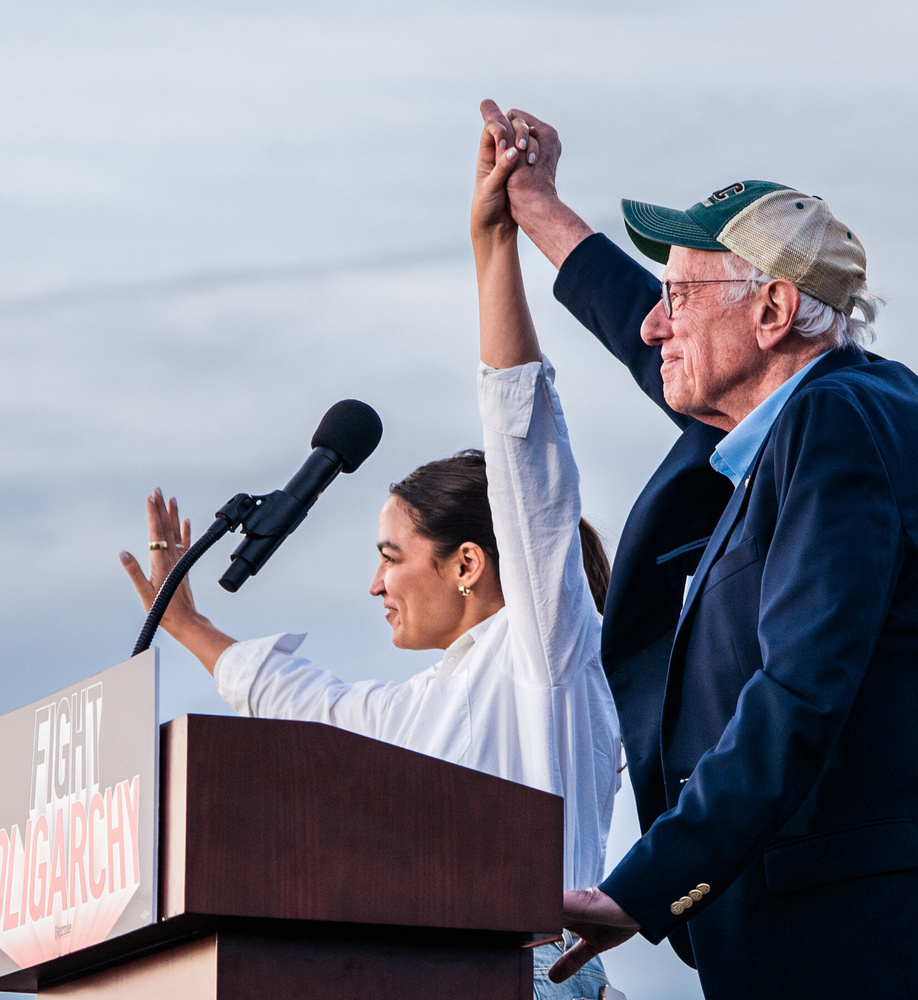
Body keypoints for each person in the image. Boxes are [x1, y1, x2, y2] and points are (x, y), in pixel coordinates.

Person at [478, 101, 918, 999]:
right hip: (805, 937)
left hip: (862, 953)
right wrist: (537, 209)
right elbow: (646, 336)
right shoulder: (805, 415)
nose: (655, 324)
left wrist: (641, 887)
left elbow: (798, 690)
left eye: (676, 297)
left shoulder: (841, 422)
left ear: (773, 310)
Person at [119, 115, 620, 1000]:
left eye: (393, 556)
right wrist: (189, 625)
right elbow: (306, 703)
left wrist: (494, 245)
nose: (376, 583)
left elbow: (526, 451)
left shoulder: (543, 653)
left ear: (468, 563)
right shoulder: (412, 715)